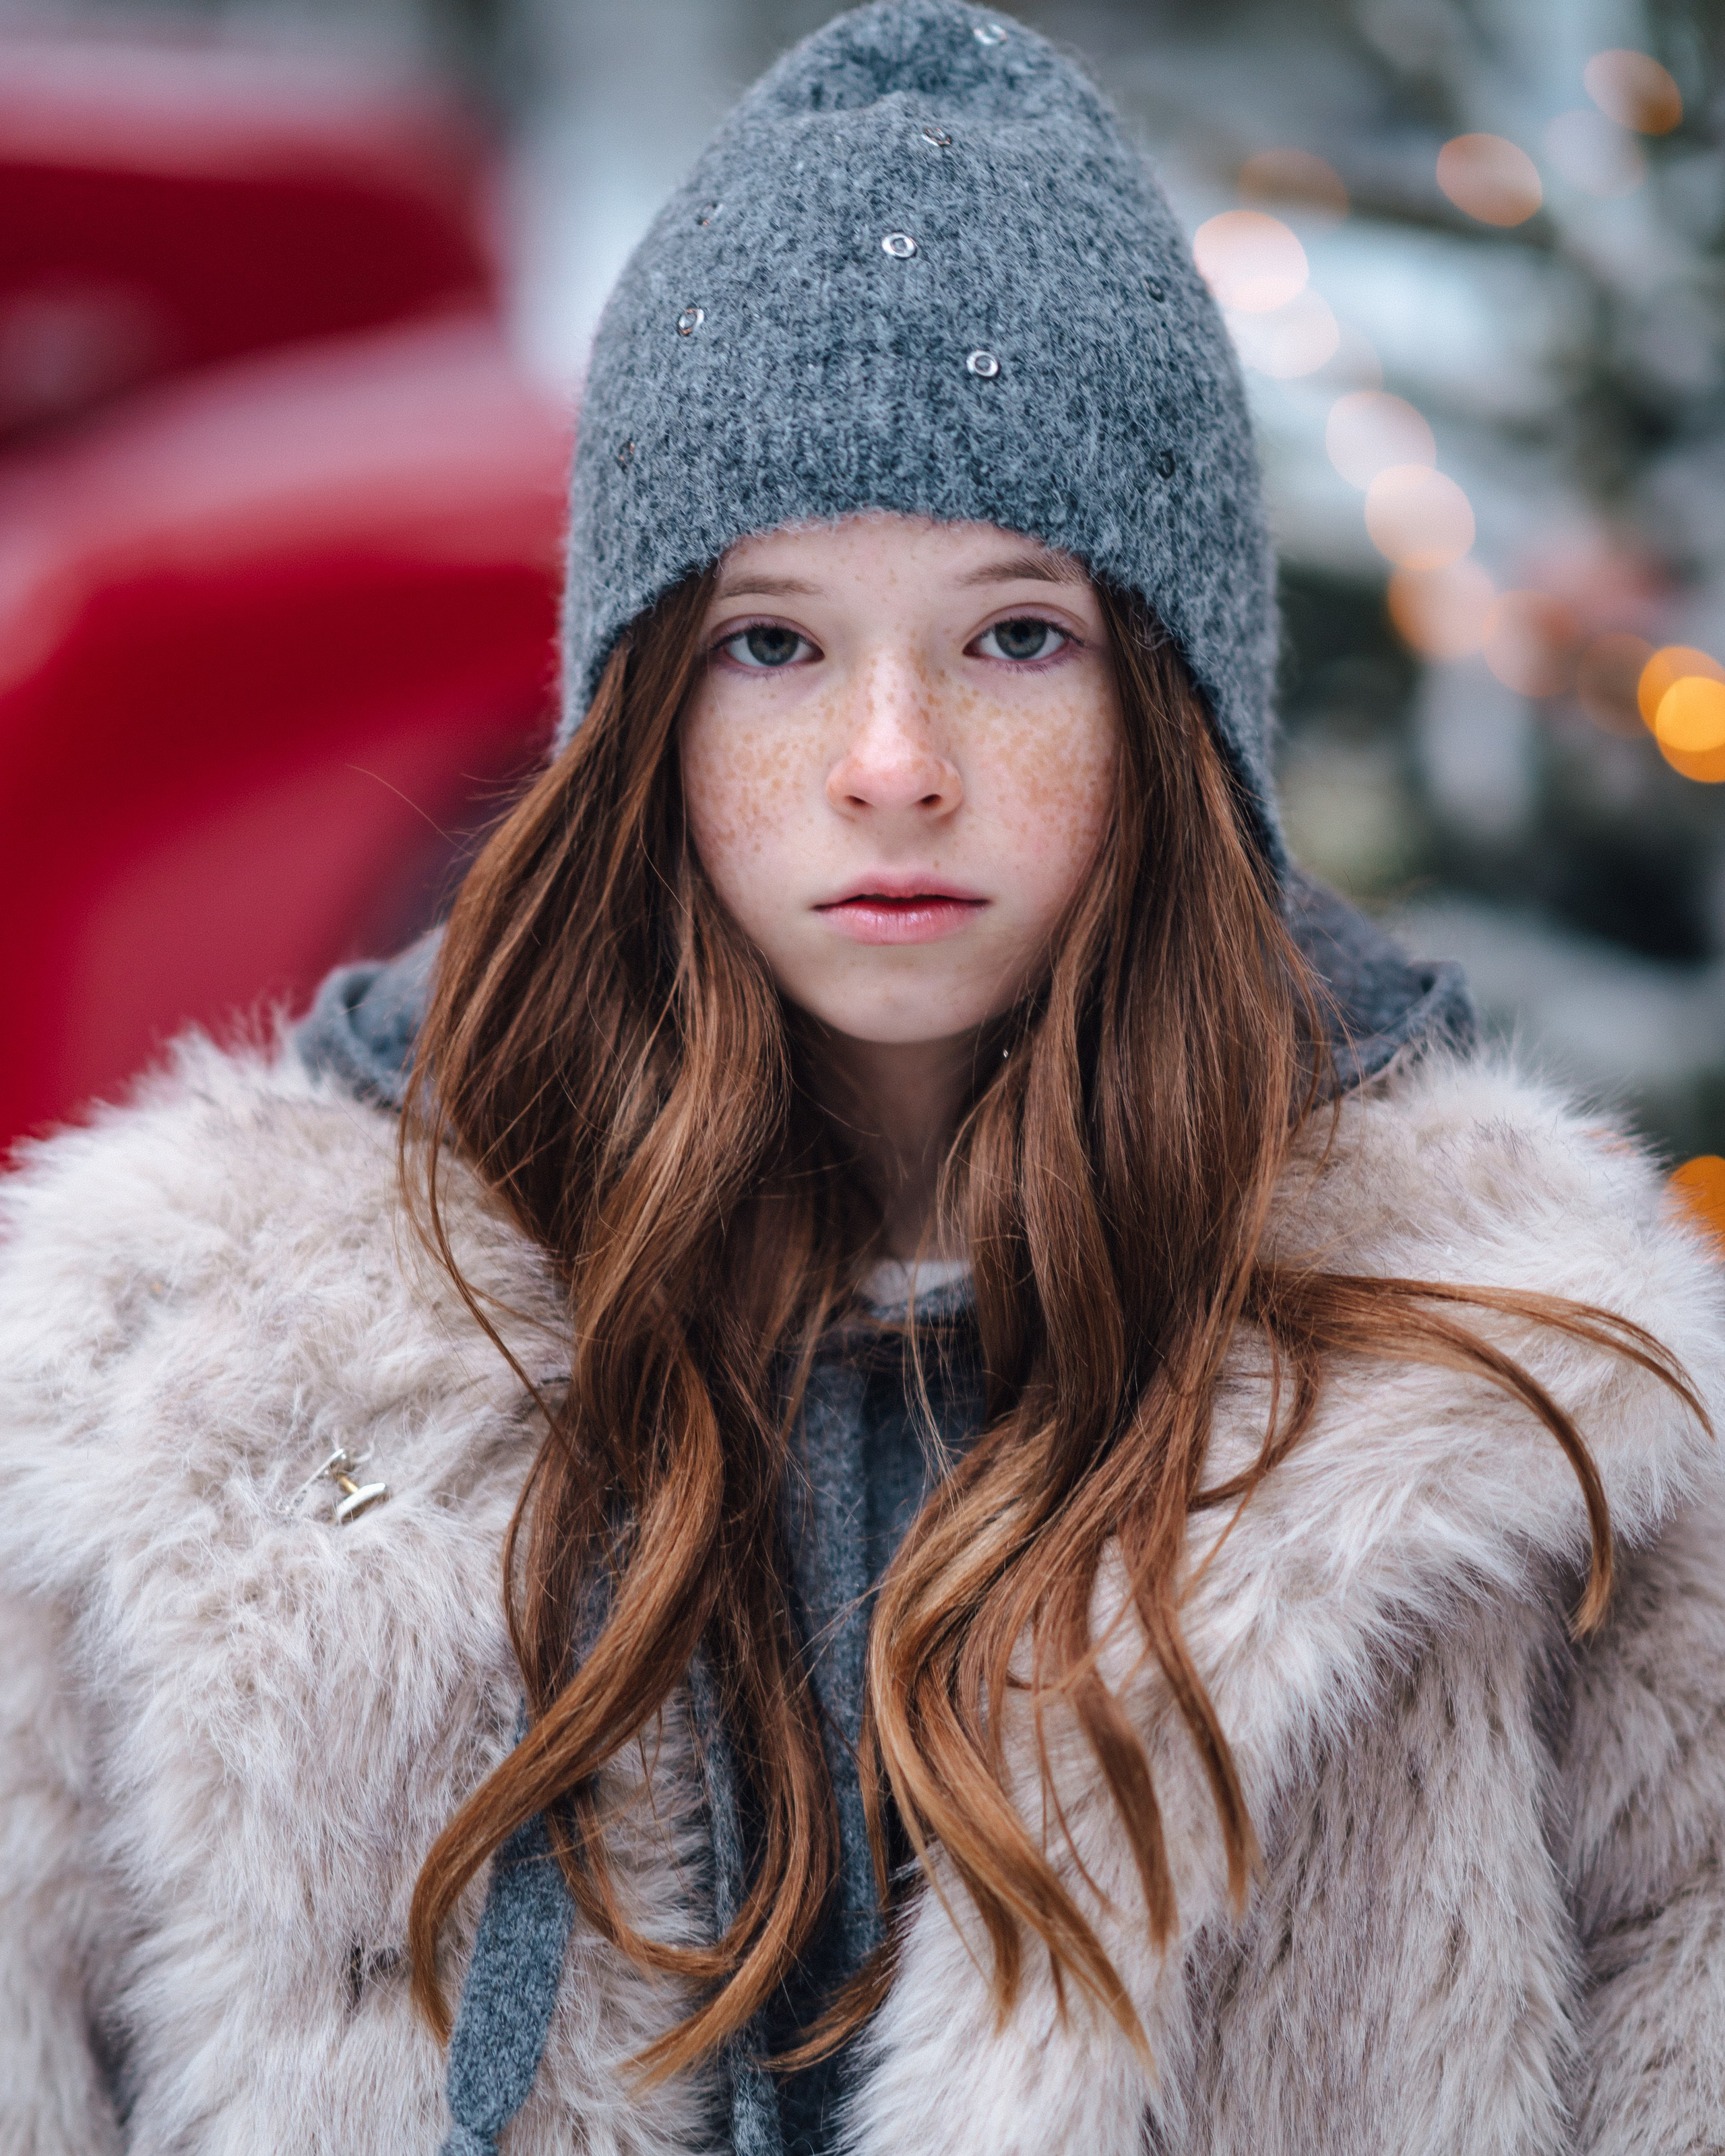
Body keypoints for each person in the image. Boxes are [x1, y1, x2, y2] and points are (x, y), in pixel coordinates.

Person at [3, 3, 1724, 2151]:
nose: (890, 765)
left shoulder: (1541, 1432)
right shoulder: (175, 1404)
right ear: (640, 709)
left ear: (1169, 710)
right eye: (774, 642)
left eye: (1014, 637)